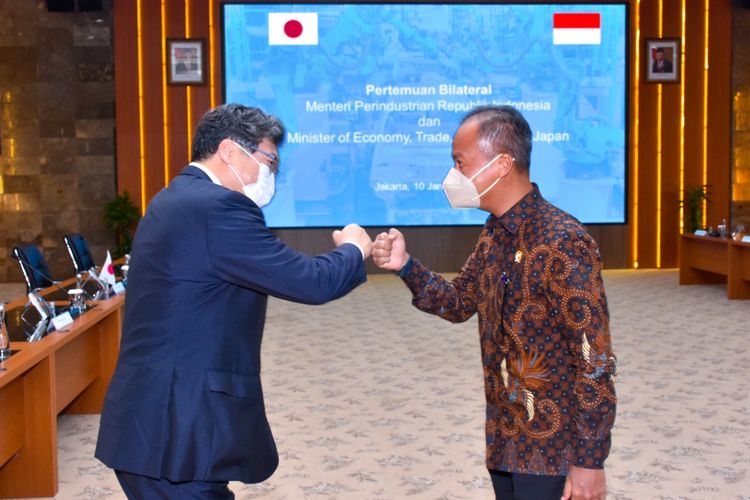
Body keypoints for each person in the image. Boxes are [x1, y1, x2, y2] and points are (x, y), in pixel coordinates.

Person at [95, 103, 372, 498]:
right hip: (177, 432)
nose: (271, 174)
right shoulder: (218, 207)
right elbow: (310, 282)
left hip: (157, 425)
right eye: (269, 161)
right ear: (229, 150)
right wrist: (353, 249)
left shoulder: (176, 197)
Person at [372, 105, 617, 500]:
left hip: (552, 450)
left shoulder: (563, 241)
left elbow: (594, 361)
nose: (453, 175)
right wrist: (405, 266)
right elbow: (458, 302)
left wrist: (590, 460)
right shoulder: (495, 233)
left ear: (502, 164)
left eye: (460, 163)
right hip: (505, 437)